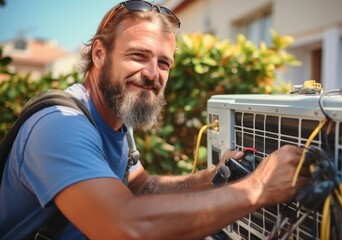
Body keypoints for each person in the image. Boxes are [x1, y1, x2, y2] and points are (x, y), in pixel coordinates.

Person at [0, 1, 308, 239]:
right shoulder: (60, 125)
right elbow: (123, 226)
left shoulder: (116, 119)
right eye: (138, 55)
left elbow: (143, 188)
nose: (152, 74)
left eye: (163, 62)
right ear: (99, 55)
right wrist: (259, 188)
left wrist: (216, 176)